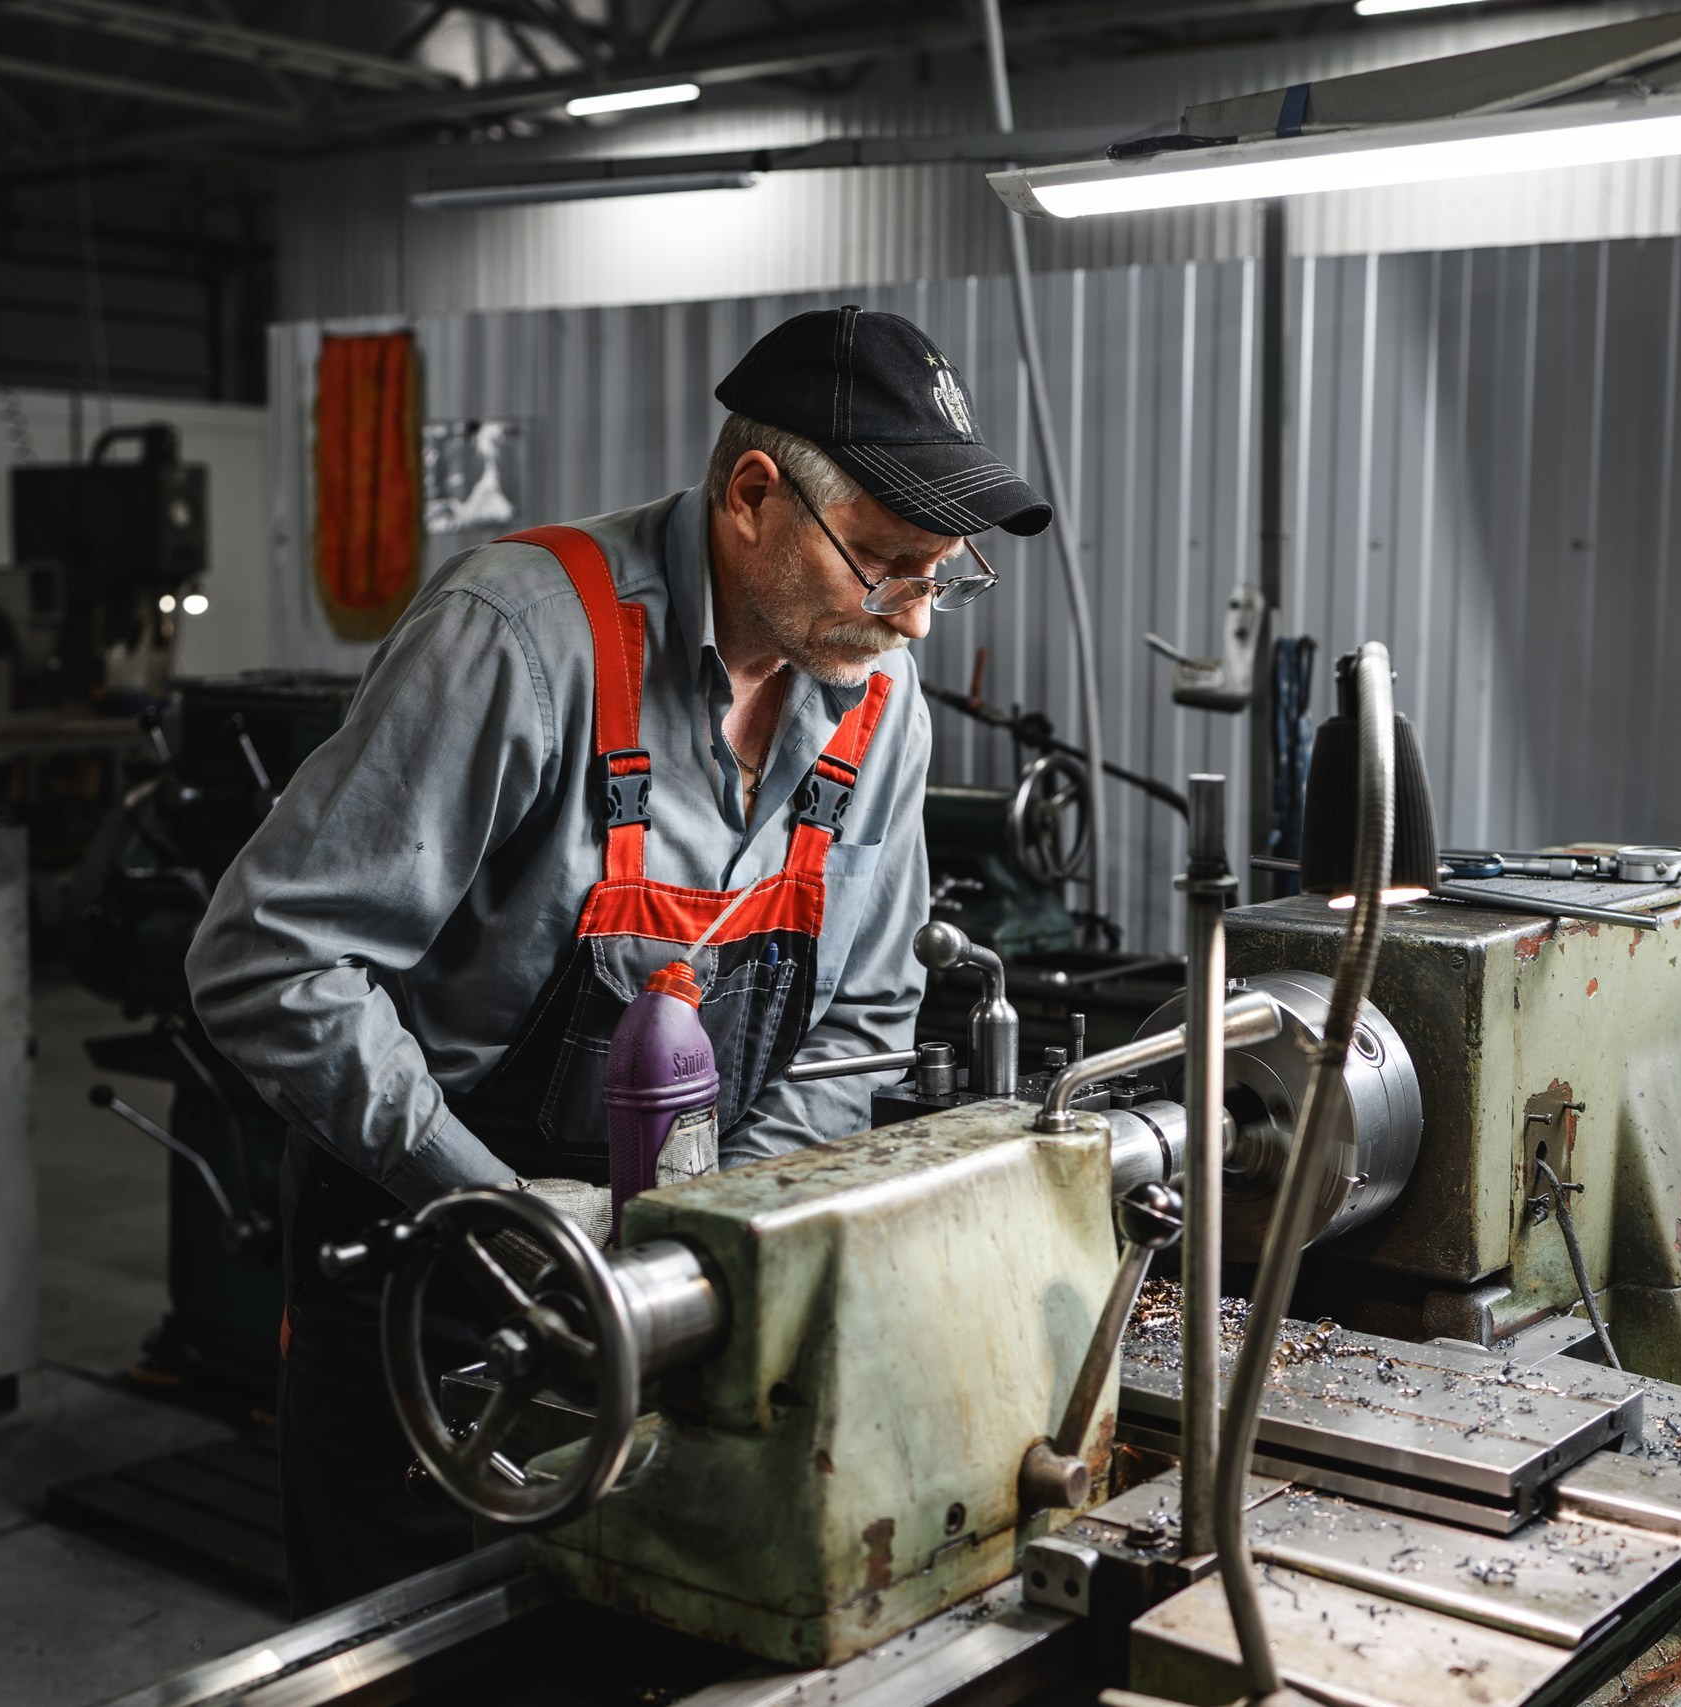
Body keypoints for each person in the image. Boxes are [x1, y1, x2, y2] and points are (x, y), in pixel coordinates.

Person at [187, 306, 1052, 1612]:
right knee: (414, 1663)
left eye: (946, 575)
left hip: (681, 1303)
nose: (920, 620)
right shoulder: (519, 636)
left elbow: (865, 1016)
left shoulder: (878, 698)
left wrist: (714, 1252)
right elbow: (268, 961)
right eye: (887, 567)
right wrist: (503, 1213)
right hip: (440, 1282)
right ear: (753, 498)